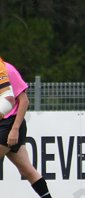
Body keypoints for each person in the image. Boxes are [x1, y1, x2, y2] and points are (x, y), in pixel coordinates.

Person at [0, 59, 52, 198]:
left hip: (10, 124)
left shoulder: (8, 70)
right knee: (27, 171)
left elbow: (24, 100)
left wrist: (15, 129)